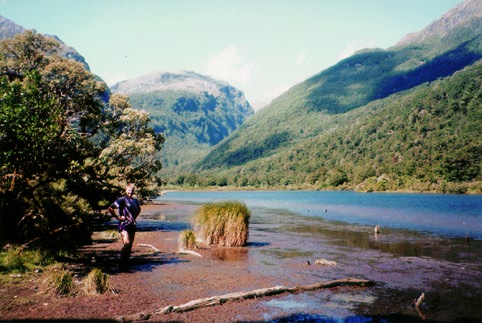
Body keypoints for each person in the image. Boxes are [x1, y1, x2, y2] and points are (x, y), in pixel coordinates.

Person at [108, 183, 141, 271]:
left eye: (132, 190)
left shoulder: (136, 201)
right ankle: (121, 263)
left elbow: (138, 210)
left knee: (130, 245)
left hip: (132, 224)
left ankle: (126, 263)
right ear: (126, 190)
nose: (130, 192)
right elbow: (110, 208)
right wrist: (117, 217)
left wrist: (133, 218)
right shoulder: (122, 200)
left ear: (134, 191)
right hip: (124, 224)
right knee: (126, 243)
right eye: (129, 190)